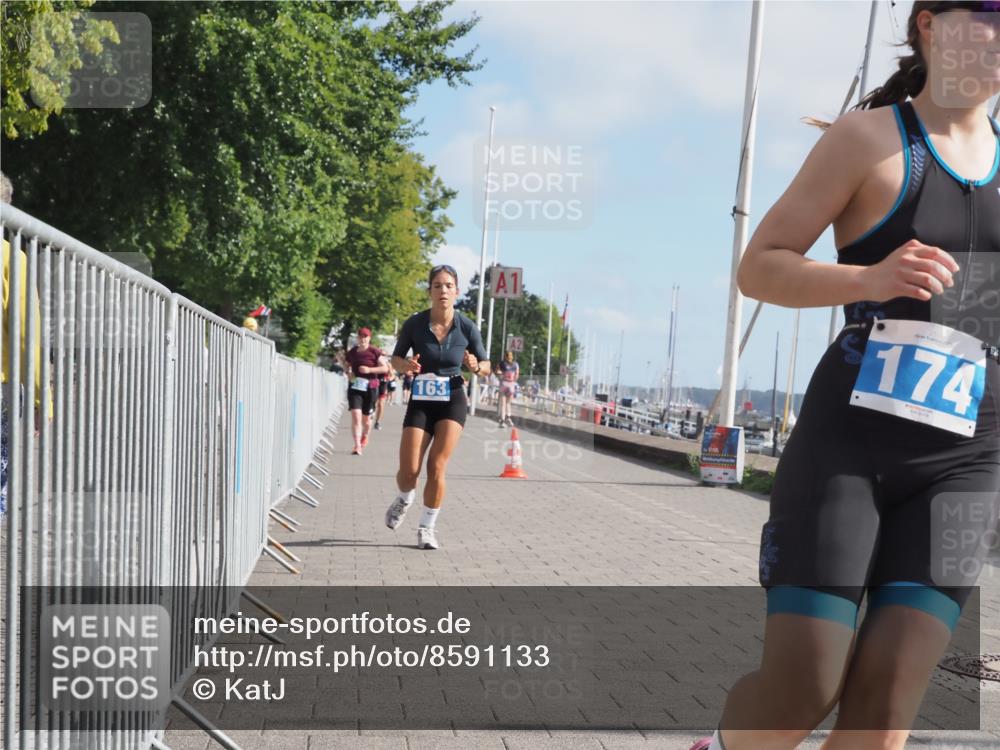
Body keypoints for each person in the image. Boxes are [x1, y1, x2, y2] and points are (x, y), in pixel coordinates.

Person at [691, 4, 1000, 749]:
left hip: (972, 459)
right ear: (930, 23)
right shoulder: (871, 140)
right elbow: (759, 265)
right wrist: (869, 275)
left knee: (889, 699)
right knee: (807, 688)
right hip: (849, 448)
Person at [384, 264, 490, 550]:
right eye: (437, 285)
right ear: (430, 291)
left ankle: (427, 527)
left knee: (437, 466)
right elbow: (394, 359)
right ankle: (404, 498)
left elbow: (486, 365)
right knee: (409, 470)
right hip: (421, 398)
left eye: (448, 285)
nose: (443, 290)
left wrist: (475, 366)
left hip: (452, 397)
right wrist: (406, 365)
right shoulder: (415, 324)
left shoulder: (466, 326)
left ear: (456, 291)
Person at [344, 327, 388, 455]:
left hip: (371, 387)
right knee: (356, 416)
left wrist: (370, 370)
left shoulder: (374, 352)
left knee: (366, 420)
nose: (363, 339)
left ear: (369, 338)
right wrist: (349, 372)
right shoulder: (352, 352)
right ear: (357, 338)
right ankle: (357, 445)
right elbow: (347, 365)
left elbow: (385, 368)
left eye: (365, 336)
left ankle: (365, 435)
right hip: (355, 387)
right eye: (361, 336)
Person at [497, 350, 519, 426]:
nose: (510, 357)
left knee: (505, 403)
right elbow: (517, 376)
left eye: (510, 355)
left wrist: (512, 378)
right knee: (506, 403)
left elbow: (498, 371)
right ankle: (505, 419)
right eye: (510, 355)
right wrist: (511, 379)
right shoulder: (511, 364)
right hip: (507, 384)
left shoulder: (510, 364)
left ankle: (505, 419)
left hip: (507, 384)